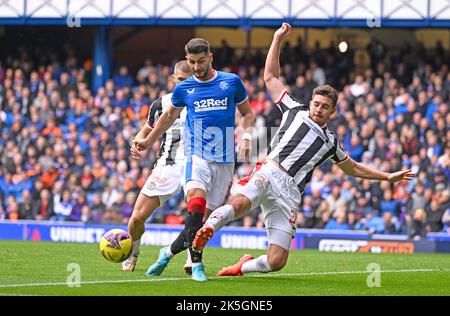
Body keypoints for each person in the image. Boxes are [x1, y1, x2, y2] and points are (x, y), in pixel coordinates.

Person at [192, 23, 416, 277]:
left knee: (277, 261)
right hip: (271, 171)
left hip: (290, 194)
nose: (319, 109)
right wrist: (277, 39)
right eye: (316, 103)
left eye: (325, 107)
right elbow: (270, 78)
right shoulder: (294, 109)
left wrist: (386, 176)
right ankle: (208, 228)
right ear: (310, 102)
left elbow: (352, 167)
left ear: (333, 112)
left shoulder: (331, 142)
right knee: (243, 202)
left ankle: (242, 267)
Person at [134, 38, 255, 281]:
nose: (197, 67)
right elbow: (168, 117)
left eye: (200, 61)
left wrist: (246, 136)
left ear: (210, 57)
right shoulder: (184, 89)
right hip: (196, 156)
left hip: (224, 161)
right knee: (195, 205)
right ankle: (197, 263)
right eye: (192, 62)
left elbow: (248, 113)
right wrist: (148, 140)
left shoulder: (230, 82)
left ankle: (166, 253)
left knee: (203, 225)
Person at [121, 60, 193, 272]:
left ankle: (192, 257)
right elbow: (145, 130)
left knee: (195, 213)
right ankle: (133, 253)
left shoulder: (201, 102)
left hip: (194, 165)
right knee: (136, 218)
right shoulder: (160, 104)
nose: (184, 85)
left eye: (188, 81)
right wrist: (137, 142)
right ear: (173, 79)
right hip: (167, 166)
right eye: (180, 80)